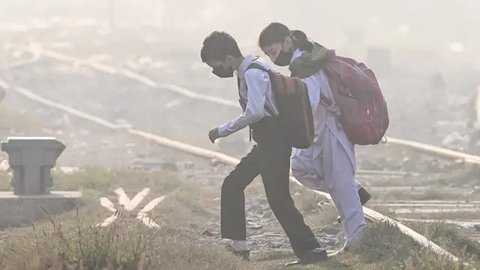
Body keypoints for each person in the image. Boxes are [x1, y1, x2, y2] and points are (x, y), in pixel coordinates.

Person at [200, 31, 328, 265]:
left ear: (228, 58)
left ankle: (312, 250)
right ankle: (239, 248)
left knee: (278, 197)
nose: (216, 71)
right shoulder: (250, 68)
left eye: (216, 65)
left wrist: (223, 130)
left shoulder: (252, 73)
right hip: (267, 142)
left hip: (274, 141)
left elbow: (256, 111)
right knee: (233, 185)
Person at [258, 22, 370, 249]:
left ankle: (358, 241)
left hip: (331, 128)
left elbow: (309, 101)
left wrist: (285, 120)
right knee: (301, 167)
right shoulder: (304, 61)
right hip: (319, 129)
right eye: (269, 55)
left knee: (341, 183)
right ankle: (356, 196)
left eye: (274, 51)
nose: (273, 58)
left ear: (287, 42)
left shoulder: (305, 65)